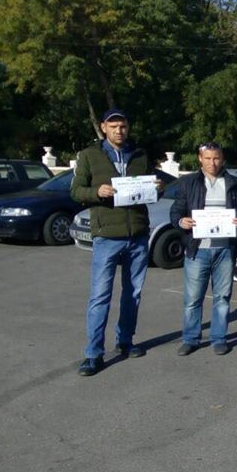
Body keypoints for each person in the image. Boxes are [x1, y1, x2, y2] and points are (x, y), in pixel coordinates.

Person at [70, 108, 162, 376]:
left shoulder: (140, 155)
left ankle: (126, 341)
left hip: (137, 235)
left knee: (133, 293)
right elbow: (76, 191)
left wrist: (158, 188)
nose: (118, 130)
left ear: (127, 128)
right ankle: (93, 354)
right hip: (107, 236)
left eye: (122, 126)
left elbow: (154, 188)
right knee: (100, 296)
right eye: (113, 126)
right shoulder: (89, 155)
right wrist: (96, 192)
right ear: (103, 128)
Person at [170, 143, 237, 356]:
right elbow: (176, 211)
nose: (212, 163)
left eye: (216, 158)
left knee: (222, 297)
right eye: (207, 158)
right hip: (198, 249)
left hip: (225, 249)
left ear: (222, 158)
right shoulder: (188, 183)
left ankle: (219, 338)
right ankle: (190, 339)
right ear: (200, 159)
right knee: (192, 299)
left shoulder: (236, 185)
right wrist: (181, 221)